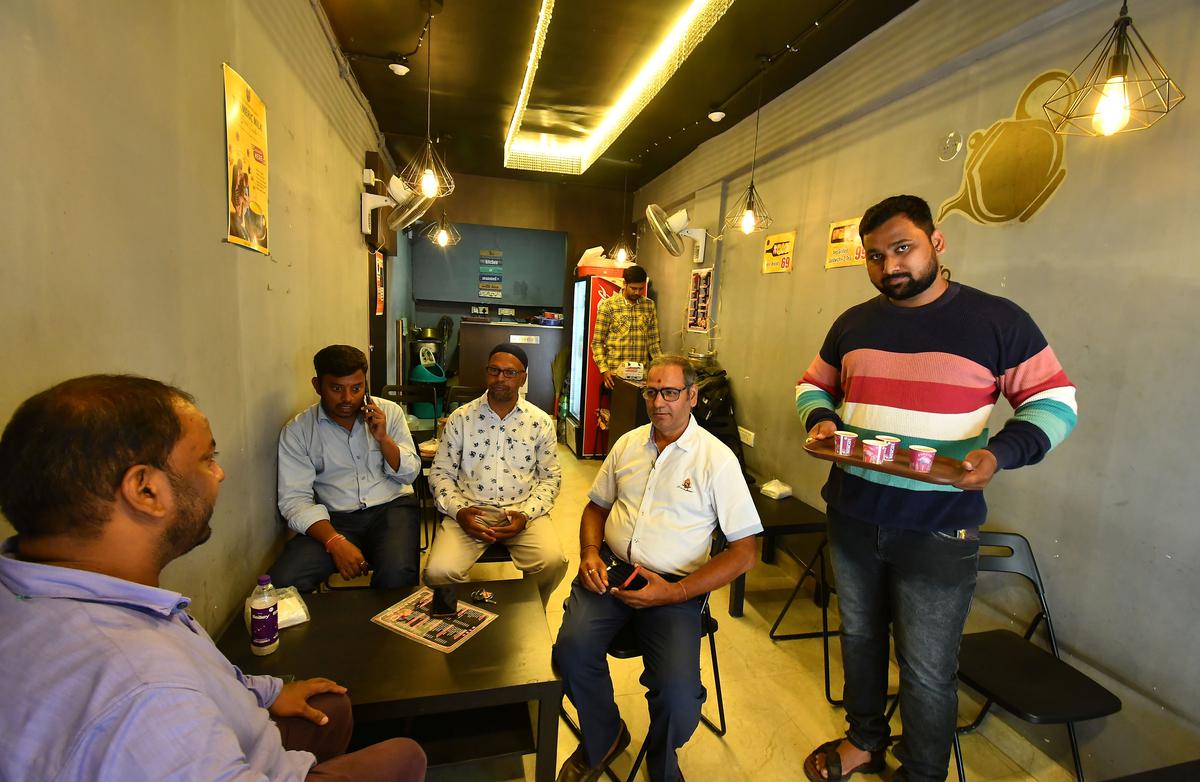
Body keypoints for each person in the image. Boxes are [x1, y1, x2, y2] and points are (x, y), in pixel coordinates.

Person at [0, 374, 427, 781]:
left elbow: (208, 674)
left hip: (244, 720)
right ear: (145, 491)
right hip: (332, 526)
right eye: (207, 458)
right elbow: (295, 500)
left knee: (334, 701)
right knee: (406, 754)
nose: (220, 473)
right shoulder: (147, 690)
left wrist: (264, 692)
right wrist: (334, 540)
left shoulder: (66, 592)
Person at [796, 195, 1077, 782]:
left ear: (936, 242)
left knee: (925, 665)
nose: (889, 266)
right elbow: (812, 385)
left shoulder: (997, 320)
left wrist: (999, 453)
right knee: (860, 637)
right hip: (851, 510)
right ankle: (865, 741)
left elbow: (1056, 404)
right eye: (874, 256)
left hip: (939, 524)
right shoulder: (852, 323)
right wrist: (819, 419)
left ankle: (924, 771)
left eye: (903, 248)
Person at [554, 355, 763, 782]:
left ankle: (662, 760)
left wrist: (675, 593)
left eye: (670, 392)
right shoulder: (628, 444)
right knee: (570, 654)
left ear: (691, 396)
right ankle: (605, 736)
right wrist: (590, 552)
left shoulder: (715, 459)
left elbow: (745, 551)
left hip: (674, 589)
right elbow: (596, 507)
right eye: (651, 391)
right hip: (611, 571)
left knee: (679, 700)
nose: (658, 402)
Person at [424, 343, 568, 605]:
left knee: (552, 562)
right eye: (494, 370)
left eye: (510, 373)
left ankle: (528, 612)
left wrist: (525, 515)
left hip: (522, 511)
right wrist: (459, 512)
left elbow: (551, 478)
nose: (500, 378)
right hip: (469, 511)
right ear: (487, 372)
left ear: (523, 377)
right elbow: (440, 474)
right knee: (438, 572)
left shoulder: (539, 422)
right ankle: (469, 615)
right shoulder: (461, 418)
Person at [270, 345, 421, 592]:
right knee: (284, 581)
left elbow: (410, 474)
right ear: (318, 385)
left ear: (366, 384)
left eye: (356, 388)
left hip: (392, 509)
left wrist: (384, 439)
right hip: (335, 519)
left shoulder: (389, 413)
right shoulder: (298, 431)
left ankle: (384, 631)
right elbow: (295, 501)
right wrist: (334, 541)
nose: (348, 398)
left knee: (397, 576)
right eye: (336, 388)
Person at [591, 265, 662, 389]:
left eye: (641, 289)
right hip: (616, 376)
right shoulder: (608, 306)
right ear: (624, 284)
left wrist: (661, 367)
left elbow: (654, 343)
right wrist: (604, 369)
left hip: (642, 377)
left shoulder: (649, 306)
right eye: (633, 288)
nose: (637, 292)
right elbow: (597, 343)